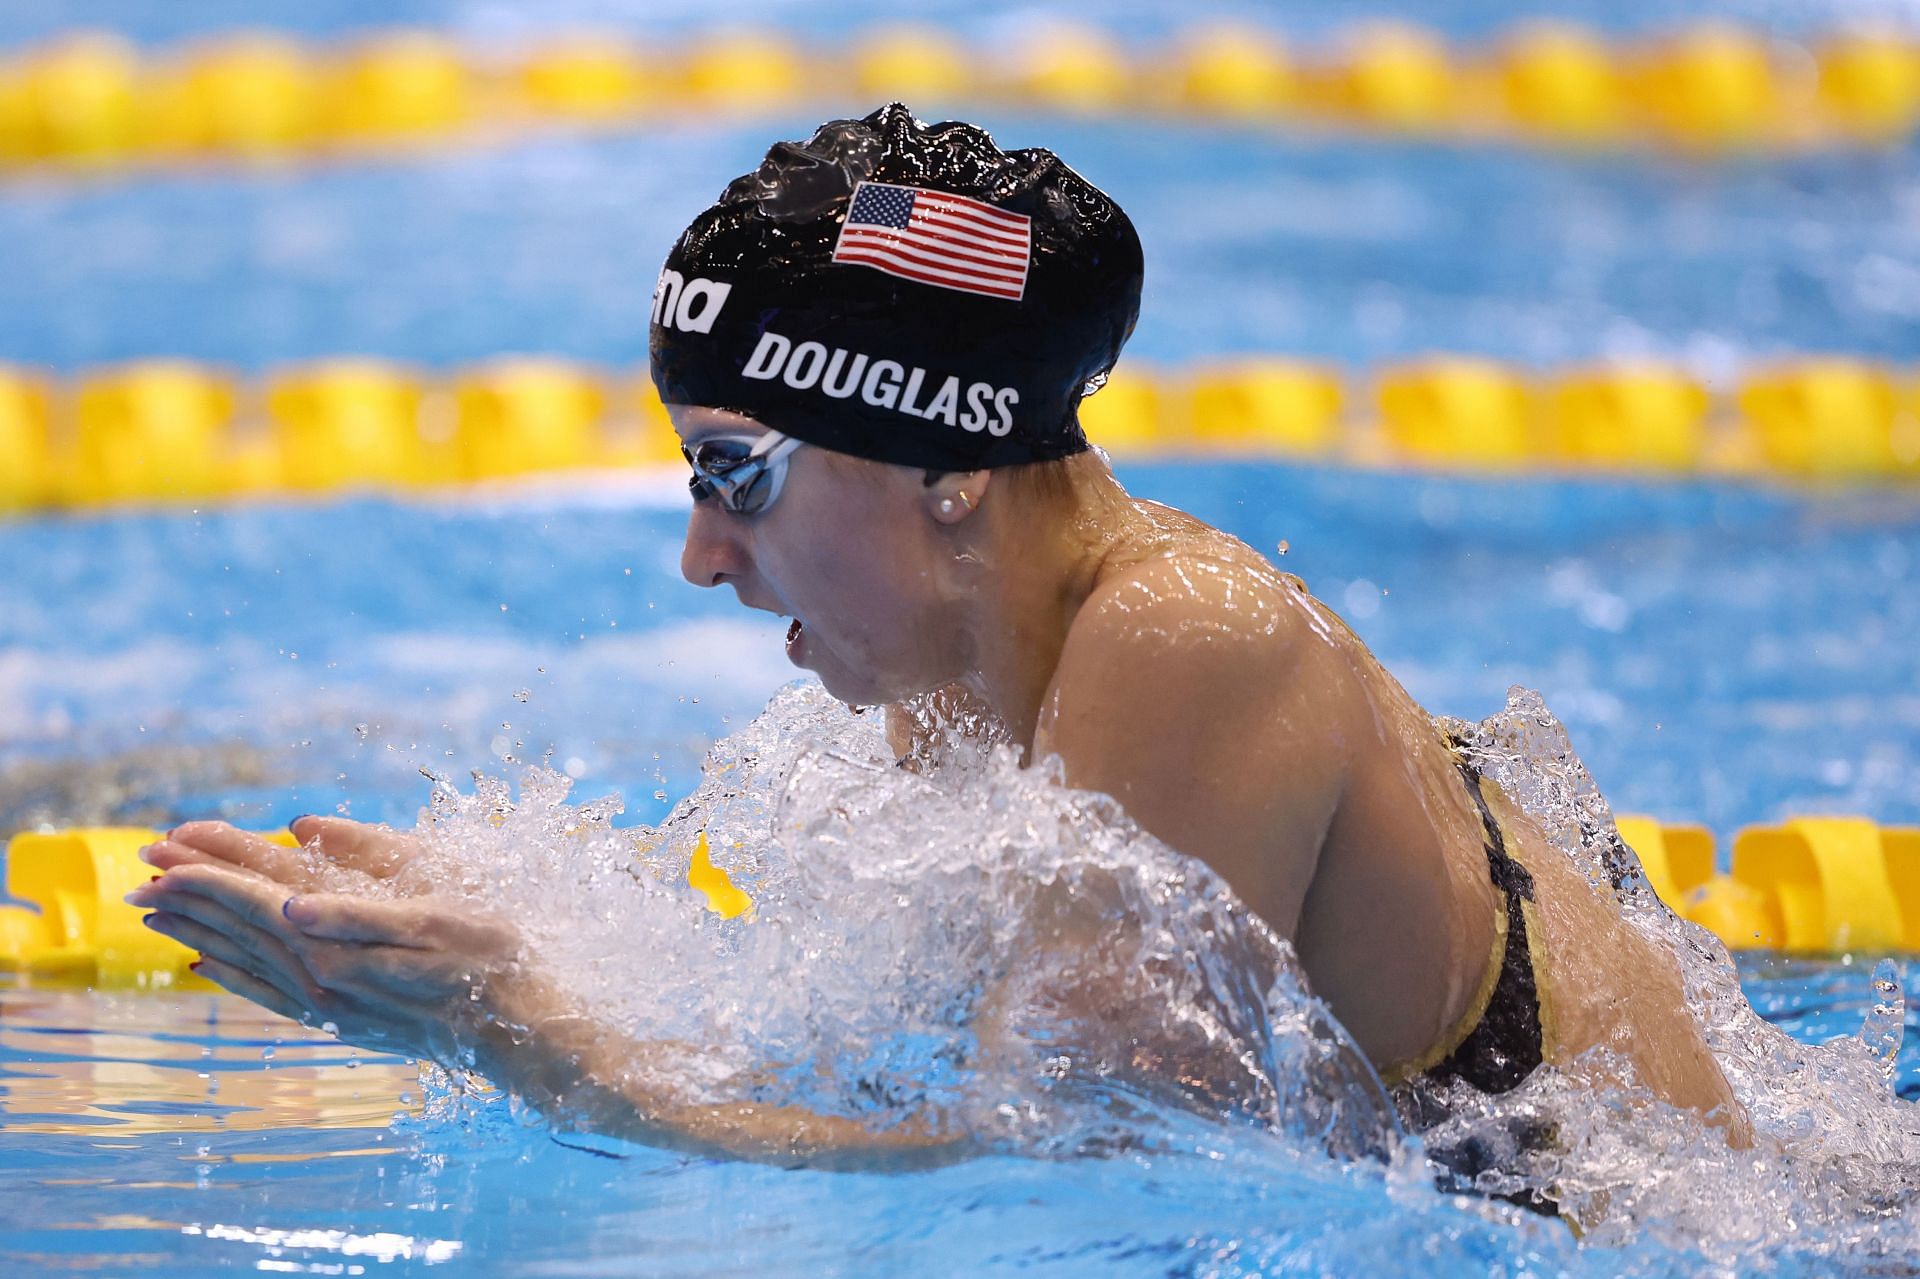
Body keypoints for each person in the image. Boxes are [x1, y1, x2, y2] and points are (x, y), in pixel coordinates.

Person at [128, 104, 1748, 1179]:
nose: (702, 557)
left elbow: (1063, 1183)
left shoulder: (1188, 641)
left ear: (948, 468)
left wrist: (549, 1057)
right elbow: (925, 1080)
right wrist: (515, 945)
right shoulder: (974, 678)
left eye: (736, 474)